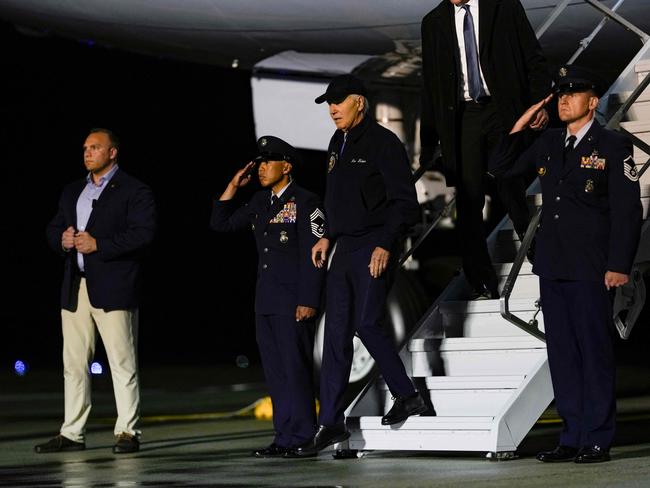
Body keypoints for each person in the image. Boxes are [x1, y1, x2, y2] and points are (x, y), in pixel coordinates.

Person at [489, 66, 642, 463]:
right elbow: (502, 168)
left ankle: (597, 438)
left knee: (593, 352)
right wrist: (523, 123)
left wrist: (618, 264)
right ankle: (571, 435)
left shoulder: (611, 145)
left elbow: (627, 212)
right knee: (562, 354)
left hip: (592, 267)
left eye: (572, 95)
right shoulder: (550, 143)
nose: (563, 100)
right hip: (553, 265)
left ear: (592, 102)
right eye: (559, 96)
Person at [289, 74, 426, 458]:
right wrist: (326, 235)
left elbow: (404, 204)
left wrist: (385, 243)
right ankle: (330, 422)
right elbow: (338, 199)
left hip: (373, 244)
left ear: (359, 103)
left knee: (367, 323)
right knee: (335, 336)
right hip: (344, 247)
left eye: (338, 101)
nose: (332, 109)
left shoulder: (384, 144)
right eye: (328, 103)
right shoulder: (337, 142)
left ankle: (407, 394)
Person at [420, 0, 551, 298]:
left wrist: (540, 104)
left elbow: (533, 56)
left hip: (501, 109)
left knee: (510, 181)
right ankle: (480, 278)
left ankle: (535, 250)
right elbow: (430, 84)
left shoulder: (503, 6)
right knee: (469, 199)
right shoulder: (434, 21)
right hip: (463, 116)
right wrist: (428, 140)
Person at [37, 128, 156, 454]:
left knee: (121, 360)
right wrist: (60, 239)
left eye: (95, 147)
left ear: (112, 152)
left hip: (114, 288)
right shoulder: (73, 190)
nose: (87, 152)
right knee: (73, 364)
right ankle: (72, 433)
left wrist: (98, 245)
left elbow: (144, 234)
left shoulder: (133, 190)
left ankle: (128, 432)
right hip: (75, 286)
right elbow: (53, 226)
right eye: (85, 148)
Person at [210, 136, 326, 458]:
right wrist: (234, 185)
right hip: (266, 301)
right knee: (275, 373)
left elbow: (313, 257)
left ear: (286, 166)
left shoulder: (307, 201)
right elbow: (220, 224)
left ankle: (303, 436)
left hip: (294, 302)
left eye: (267, 162)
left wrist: (309, 300)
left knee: (296, 369)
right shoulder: (261, 202)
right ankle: (284, 436)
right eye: (259, 162)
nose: (261, 168)